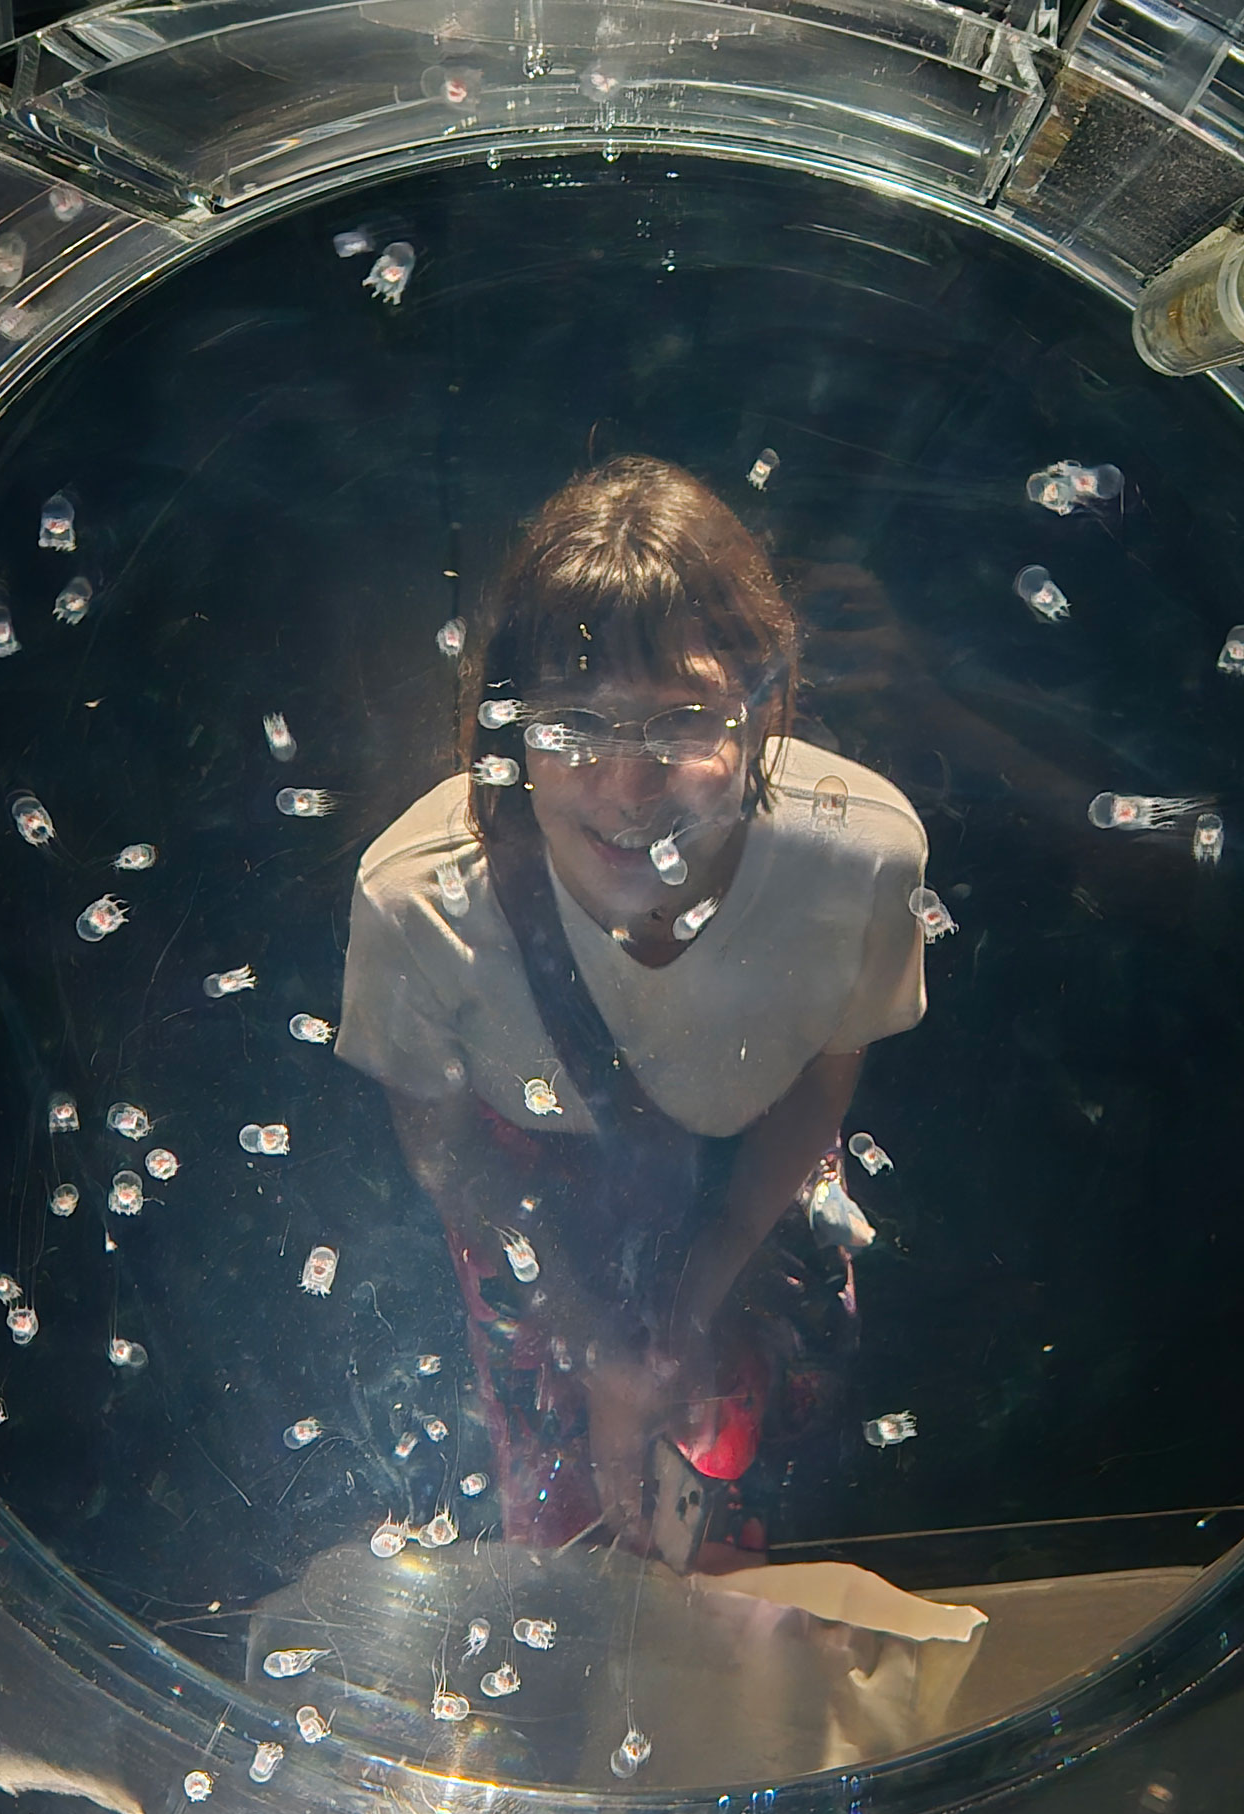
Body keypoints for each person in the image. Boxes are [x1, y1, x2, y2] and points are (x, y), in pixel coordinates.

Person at [336, 456, 928, 1560]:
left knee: (773, 1540)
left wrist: (707, 1285)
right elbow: (448, 1152)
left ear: (761, 711)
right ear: (512, 731)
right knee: (577, 1554)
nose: (625, 785)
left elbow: (816, 1100)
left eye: (680, 722)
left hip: (758, 1185)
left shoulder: (858, 856)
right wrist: (586, 1332)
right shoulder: (417, 898)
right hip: (534, 1209)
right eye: (573, 724)